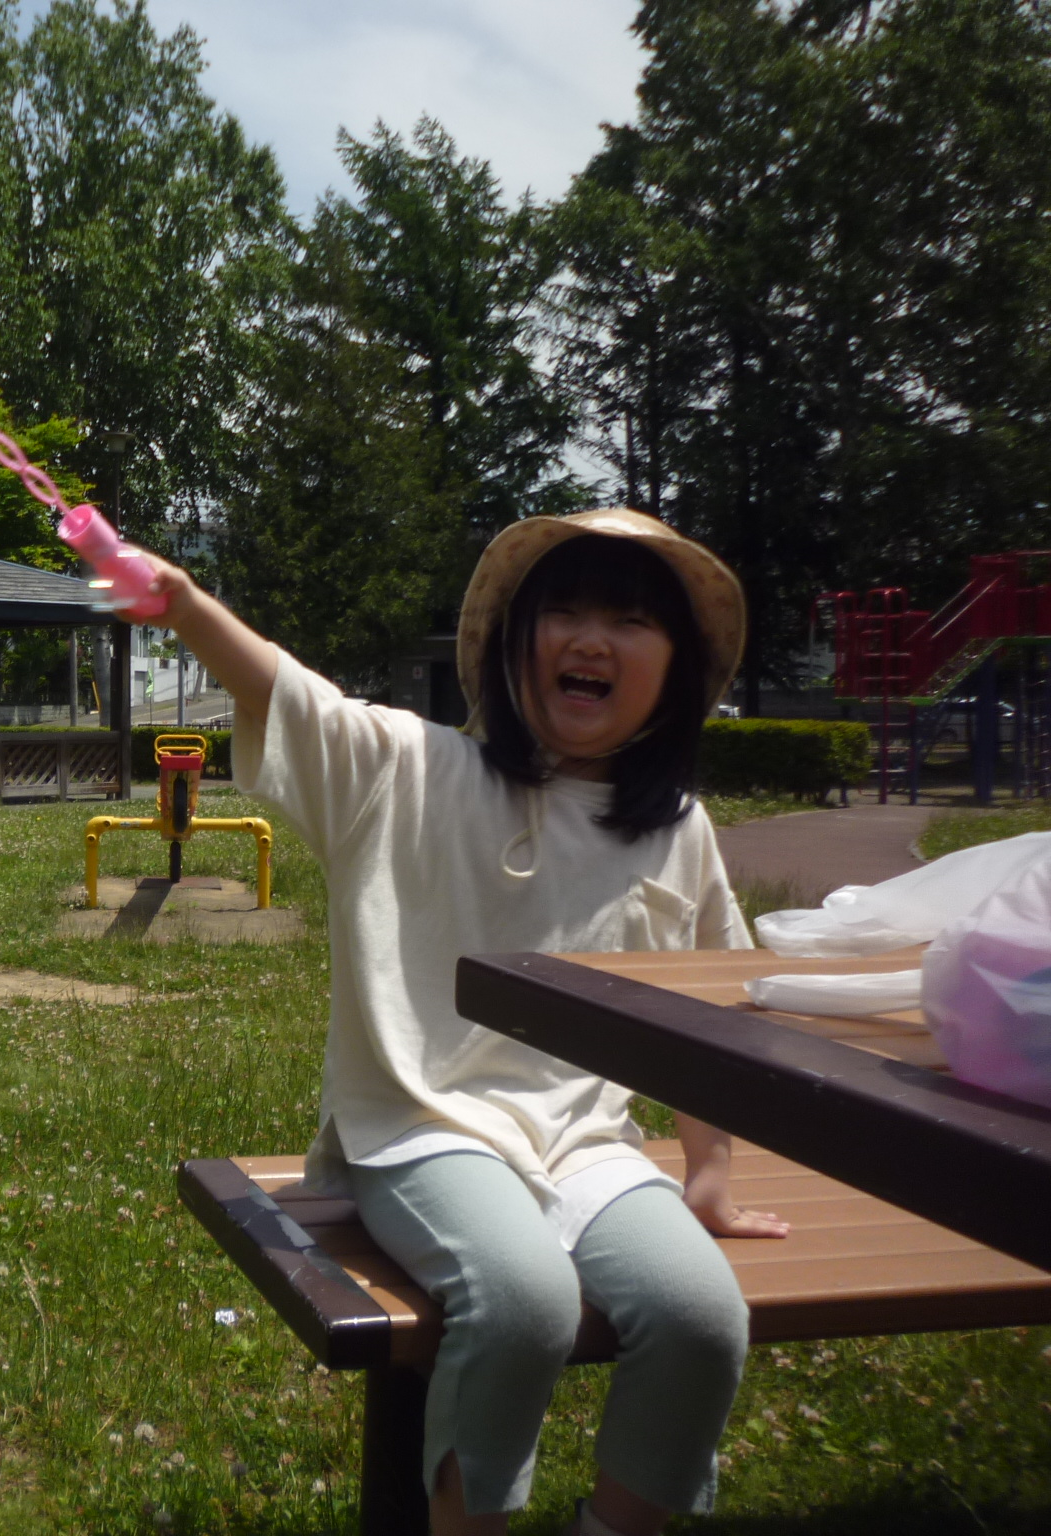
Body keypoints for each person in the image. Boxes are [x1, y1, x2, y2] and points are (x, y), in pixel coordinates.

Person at [131, 509, 784, 1536]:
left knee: (701, 1317)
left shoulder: (674, 831)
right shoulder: (411, 769)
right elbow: (285, 692)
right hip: (421, 1129)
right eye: (560, 611)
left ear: (676, 667)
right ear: (510, 643)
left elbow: (705, 1014)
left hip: (584, 1148)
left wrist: (707, 1171)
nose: (588, 641)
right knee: (521, 1303)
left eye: (628, 621)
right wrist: (182, 603)